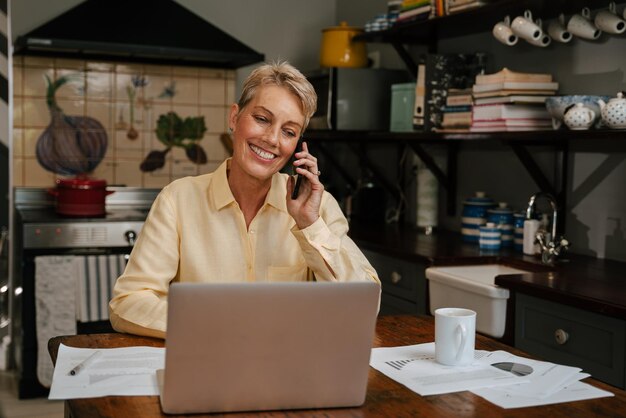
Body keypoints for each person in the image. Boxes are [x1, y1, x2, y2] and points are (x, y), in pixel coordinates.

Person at [109, 61, 380, 339]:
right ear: (234, 118)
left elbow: (364, 303)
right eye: (262, 119)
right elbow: (128, 303)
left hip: (287, 370)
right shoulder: (177, 200)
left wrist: (310, 226)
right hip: (202, 363)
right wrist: (219, 327)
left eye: (289, 132)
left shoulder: (317, 208)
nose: (272, 139)